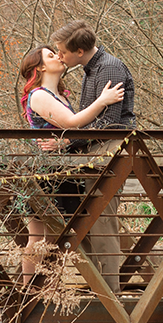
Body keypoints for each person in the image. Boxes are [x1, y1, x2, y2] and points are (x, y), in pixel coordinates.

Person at [18, 45, 124, 284]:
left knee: (61, 234)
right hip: (47, 174)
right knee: (39, 236)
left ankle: (51, 288)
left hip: (65, 171)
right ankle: (29, 292)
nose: (58, 56)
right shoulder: (39, 95)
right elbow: (73, 122)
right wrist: (102, 101)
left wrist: (65, 142)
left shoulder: (61, 95)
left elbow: (69, 132)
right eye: (50, 54)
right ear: (41, 66)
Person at [52, 20, 136, 291]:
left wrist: (66, 143)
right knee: (90, 218)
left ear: (78, 51)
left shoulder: (109, 68)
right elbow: (91, 124)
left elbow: (108, 125)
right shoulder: (91, 70)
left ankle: (110, 292)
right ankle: (102, 285)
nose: (59, 57)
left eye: (62, 51)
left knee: (101, 219)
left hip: (109, 151)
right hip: (95, 153)